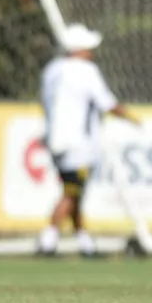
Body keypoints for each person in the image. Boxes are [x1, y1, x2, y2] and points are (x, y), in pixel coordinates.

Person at [35, 23, 139, 258]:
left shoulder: (51, 70)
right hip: (79, 145)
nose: (91, 52)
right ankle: (48, 241)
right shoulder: (85, 71)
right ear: (79, 49)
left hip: (55, 141)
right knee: (71, 193)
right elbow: (107, 103)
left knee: (74, 192)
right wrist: (132, 118)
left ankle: (85, 244)